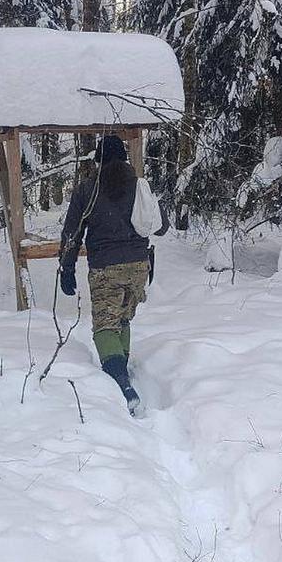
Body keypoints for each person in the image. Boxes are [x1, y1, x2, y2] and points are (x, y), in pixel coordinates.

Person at [58, 134, 166, 415]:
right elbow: (161, 226)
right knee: (122, 319)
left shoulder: (88, 189)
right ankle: (120, 369)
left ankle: (122, 384)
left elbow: (72, 233)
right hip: (140, 265)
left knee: (105, 326)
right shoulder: (140, 186)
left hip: (106, 266)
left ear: (99, 159)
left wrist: (66, 268)